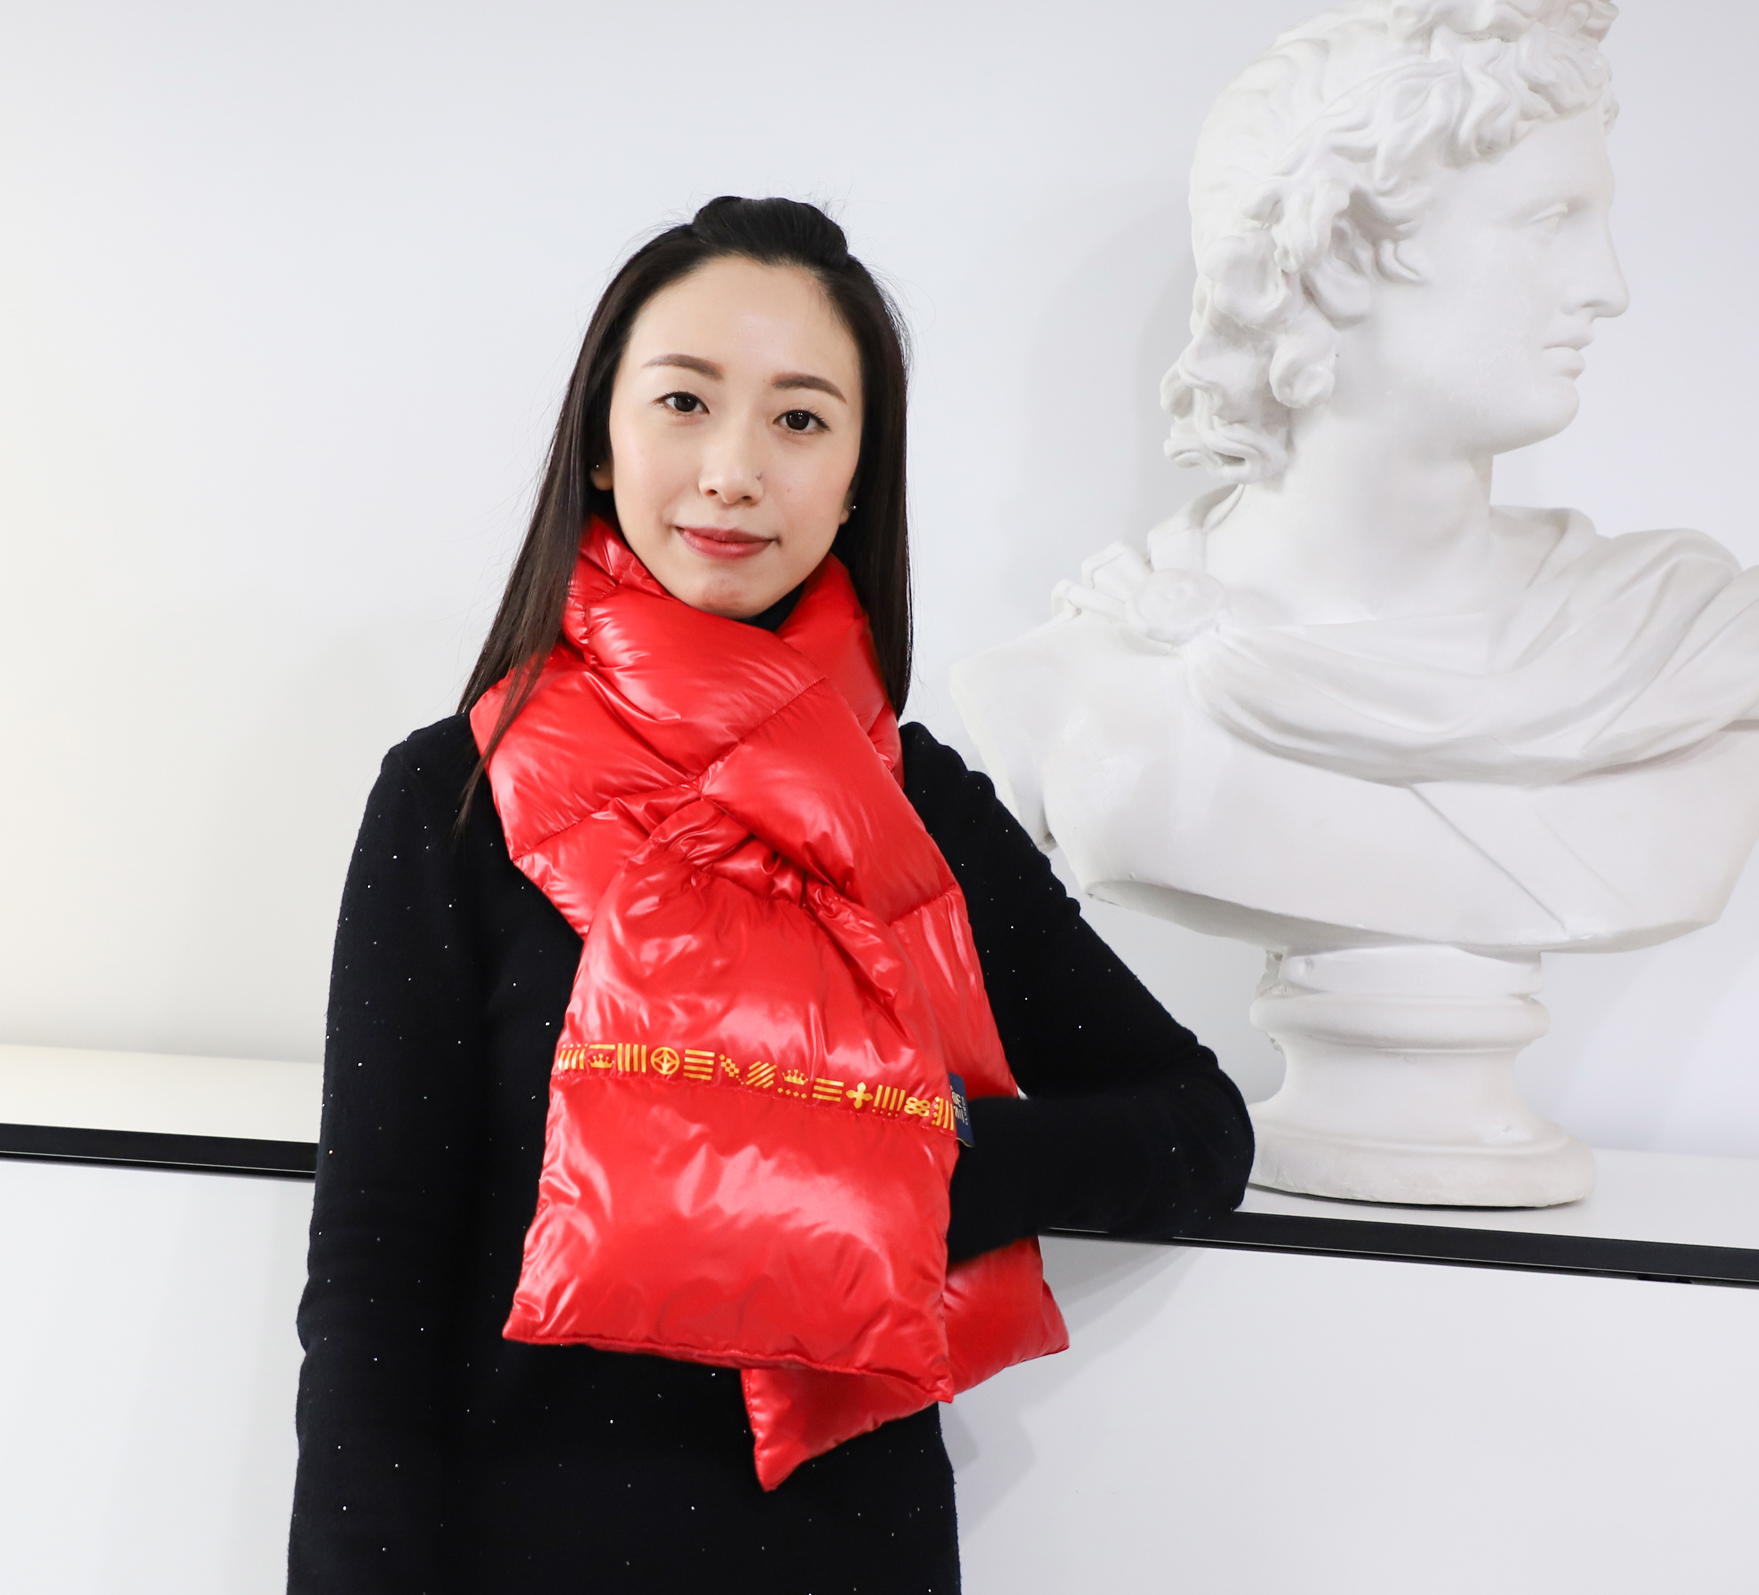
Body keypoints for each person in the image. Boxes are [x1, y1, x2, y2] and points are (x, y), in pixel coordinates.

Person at [288, 195, 1252, 1594]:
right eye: (685, 401)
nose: (734, 470)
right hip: (515, 1554)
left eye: (801, 419)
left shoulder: (919, 807)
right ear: (602, 442)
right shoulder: (455, 796)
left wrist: (906, 1161)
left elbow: (1196, 1129)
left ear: (858, 477)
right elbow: (376, 1272)